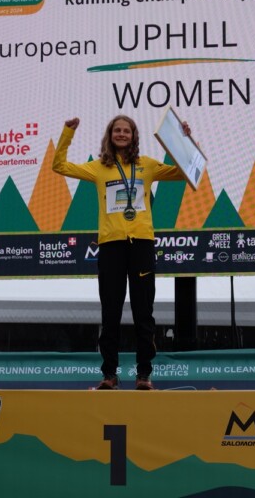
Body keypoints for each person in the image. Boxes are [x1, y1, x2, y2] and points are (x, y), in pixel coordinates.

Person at [52, 115, 187, 390]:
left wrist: (184, 140)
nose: (122, 134)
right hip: (111, 245)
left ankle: (144, 374)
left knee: (143, 312)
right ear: (110, 135)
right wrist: (68, 132)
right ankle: (109, 374)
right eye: (117, 130)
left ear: (134, 136)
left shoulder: (147, 165)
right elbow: (59, 165)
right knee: (110, 312)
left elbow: (185, 172)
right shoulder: (98, 168)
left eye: (126, 131)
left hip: (142, 244)